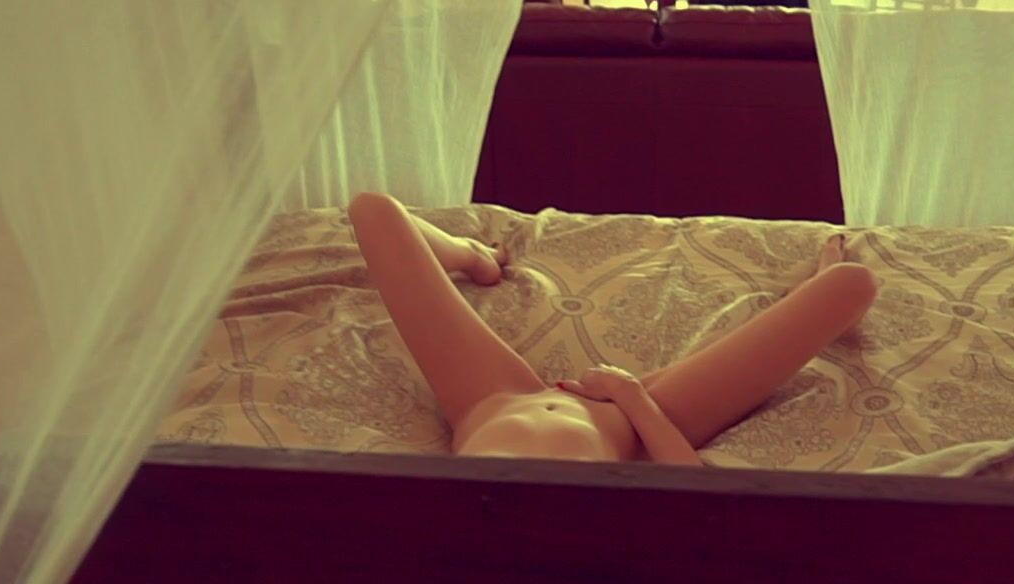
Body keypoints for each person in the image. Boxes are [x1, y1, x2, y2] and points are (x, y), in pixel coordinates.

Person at [347, 191, 878, 465]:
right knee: (851, 283)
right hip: (633, 420)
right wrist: (629, 396)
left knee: (372, 210)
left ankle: (473, 256)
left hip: (490, 401)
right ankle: (809, 297)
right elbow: (693, 499)